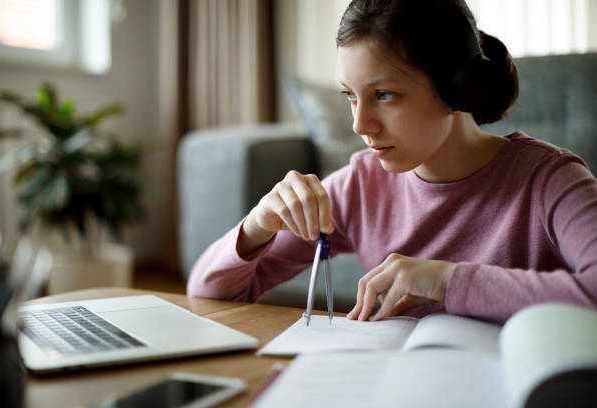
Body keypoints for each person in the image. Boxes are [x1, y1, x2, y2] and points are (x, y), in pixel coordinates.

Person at [188, 0, 597, 324]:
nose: (360, 124)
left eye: (384, 95)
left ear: (458, 88)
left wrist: (445, 280)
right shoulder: (360, 187)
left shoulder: (551, 180)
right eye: (350, 94)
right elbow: (209, 293)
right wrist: (257, 225)